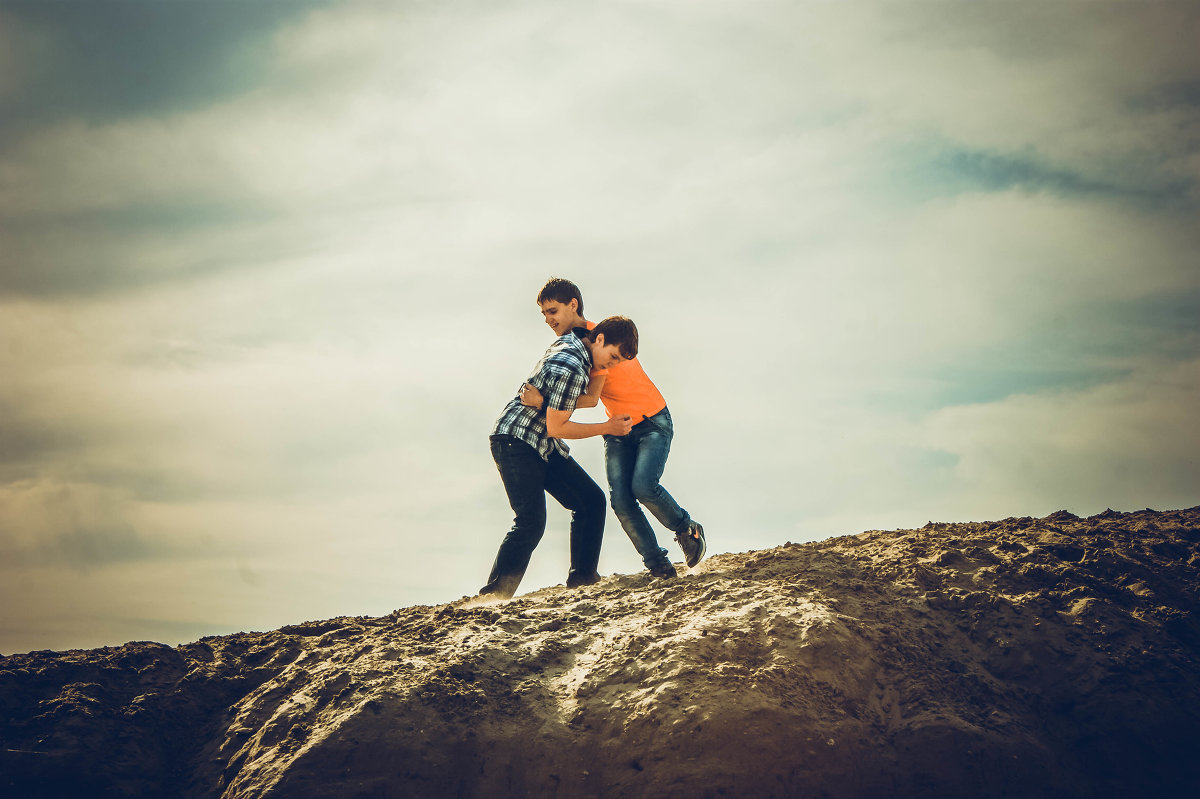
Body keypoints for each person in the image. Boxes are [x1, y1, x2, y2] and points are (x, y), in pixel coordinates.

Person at [521, 278, 706, 580]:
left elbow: (590, 397)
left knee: (643, 487)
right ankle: (658, 567)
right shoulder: (573, 345)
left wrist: (542, 401)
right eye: (543, 314)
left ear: (573, 305)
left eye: (553, 311)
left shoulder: (602, 339)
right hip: (617, 428)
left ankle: (687, 528)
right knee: (620, 500)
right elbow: (583, 398)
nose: (548, 319)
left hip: (651, 420)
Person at [480, 316, 638, 599]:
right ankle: (494, 596)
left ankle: (583, 581)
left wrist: (544, 400)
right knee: (530, 521)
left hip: (542, 444)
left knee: (590, 501)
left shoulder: (574, 344)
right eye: (612, 357)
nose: (611, 365)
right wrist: (607, 427)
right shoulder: (571, 365)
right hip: (516, 439)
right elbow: (558, 427)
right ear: (599, 339)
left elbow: (578, 401)